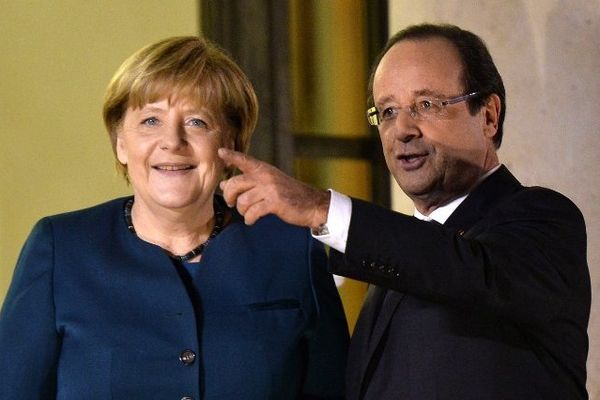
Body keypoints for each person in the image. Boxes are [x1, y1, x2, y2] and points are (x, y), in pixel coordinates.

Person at [217, 23, 591, 399]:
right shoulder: (391, 266)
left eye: (426, 105)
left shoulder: (544, 220)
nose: (402, 130)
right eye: (388, 111)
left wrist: (321, 207)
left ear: (489, 116)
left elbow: (459, 268)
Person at [0, 36, 349, 399]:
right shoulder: (60, 249)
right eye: (151, 120)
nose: (173, 141)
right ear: (121, 142)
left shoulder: (292, 249)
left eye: (197, 122)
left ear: (231, 142)